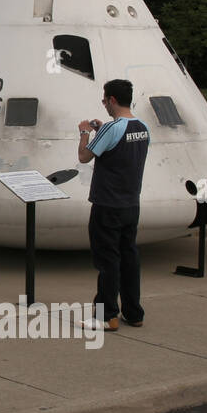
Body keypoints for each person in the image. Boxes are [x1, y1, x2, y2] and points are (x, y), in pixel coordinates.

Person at [76, 79, 150, 332]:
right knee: (129, 258)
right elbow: (120, 150)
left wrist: (85, 132)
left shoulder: (112, 128)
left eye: (105, 100)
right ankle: (133, 311)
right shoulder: (143, 128)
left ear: (113, 100)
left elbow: (84, 157)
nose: (104, 104)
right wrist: (101, 129)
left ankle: (106, 315)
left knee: (107, 261)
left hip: (107, 204)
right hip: (130, 203)